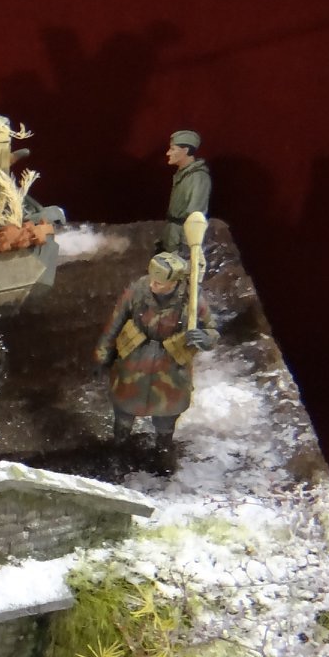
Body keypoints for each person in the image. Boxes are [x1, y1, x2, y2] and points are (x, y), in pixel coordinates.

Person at [93, 252, 219, 459]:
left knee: (166, 420)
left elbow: (212, 331)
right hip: (135, 362)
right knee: (124, 412)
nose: (152, 285)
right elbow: (114, 324)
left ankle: (163, 451)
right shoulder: (138, 291)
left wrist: (205, 337)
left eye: (159, 283)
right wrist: (102, 355)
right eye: (152, 279)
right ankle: (119, 449)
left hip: (170, 369)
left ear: (174, 283)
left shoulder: (192, 300)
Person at [159, 129, 211, 253]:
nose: (168, 153)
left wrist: (186, 246)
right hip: (173, 235)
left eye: (173, 149)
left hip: (182, 240)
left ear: (185, 150)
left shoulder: (198, 177)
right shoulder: (183, 174)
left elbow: (195, 215)